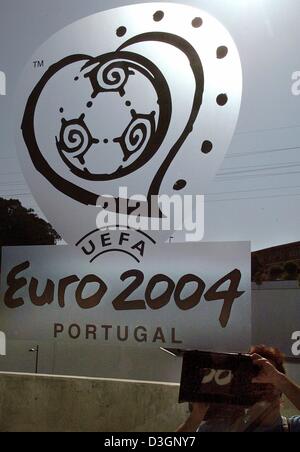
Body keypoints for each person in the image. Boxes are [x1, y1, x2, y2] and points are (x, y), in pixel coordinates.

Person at [177, 345, 300, 432]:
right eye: (255, 379)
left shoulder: (293, 427)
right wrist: (196, 416)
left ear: (280, 390)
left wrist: (278, 379)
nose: (263, 385)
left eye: (269, 382)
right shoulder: (219, 429)